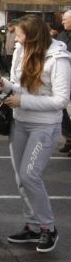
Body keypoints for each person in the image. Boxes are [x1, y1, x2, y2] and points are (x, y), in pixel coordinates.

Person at [0, 15, 70, 254]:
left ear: (33, 35)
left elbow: (61, 100)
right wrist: (4, 85)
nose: (15, 38)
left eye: (20, 34)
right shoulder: (20, 51)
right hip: (20, 122)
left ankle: (48, 228)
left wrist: (22, 100)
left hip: (44, 126)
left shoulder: (59, 59)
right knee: (20, 177)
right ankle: (33, 226)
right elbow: (18, 85)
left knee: (29, 175)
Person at [57, 10, 71, 154]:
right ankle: (69, 137)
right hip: (63, 79)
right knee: (59, 108)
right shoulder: (61, 35)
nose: (62, 22)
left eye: (65, 19)